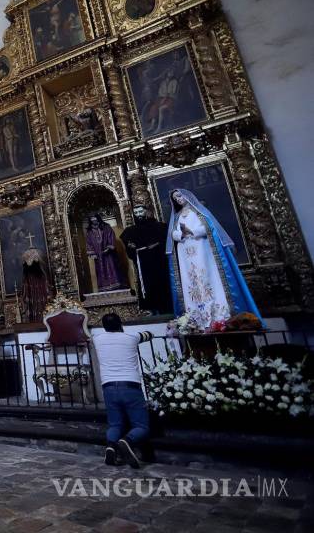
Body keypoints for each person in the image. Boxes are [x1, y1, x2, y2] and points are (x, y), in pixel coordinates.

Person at [166, 189, 264, 331]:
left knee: (207, 277)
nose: (179, 200)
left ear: (187, 196)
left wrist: (192, 231)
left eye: (180, 196)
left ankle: (218, 317)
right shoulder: (177, 217)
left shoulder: (199, 213)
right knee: (192, 281)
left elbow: (208, 228)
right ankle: (196, 319)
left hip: (202, 249)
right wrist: (180, 234)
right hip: (185, 252)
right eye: (176, 198)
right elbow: (173, 234)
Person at [92, 312, 152, 468]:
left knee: (115, 425)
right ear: (120, 324)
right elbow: (148, 334)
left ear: (104, 327)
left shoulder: (97, 340)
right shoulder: (131, 338)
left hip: (109, 386)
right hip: (130, 385)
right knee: (141, 426)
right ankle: (127, 441)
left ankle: (111, 447)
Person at [119, 205, 172, 314]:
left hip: (159, 261)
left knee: (162, 283)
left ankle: (167, 307)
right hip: (144, 263)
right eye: (136, 212)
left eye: (140, 211)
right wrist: (130, 246)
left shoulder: (159, 226)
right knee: (147, 285)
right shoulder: (130, 231)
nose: (138, 214)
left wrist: (156, 245)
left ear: (146, 211)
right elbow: (128, 244)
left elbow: (164, 241)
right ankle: (152, 308)